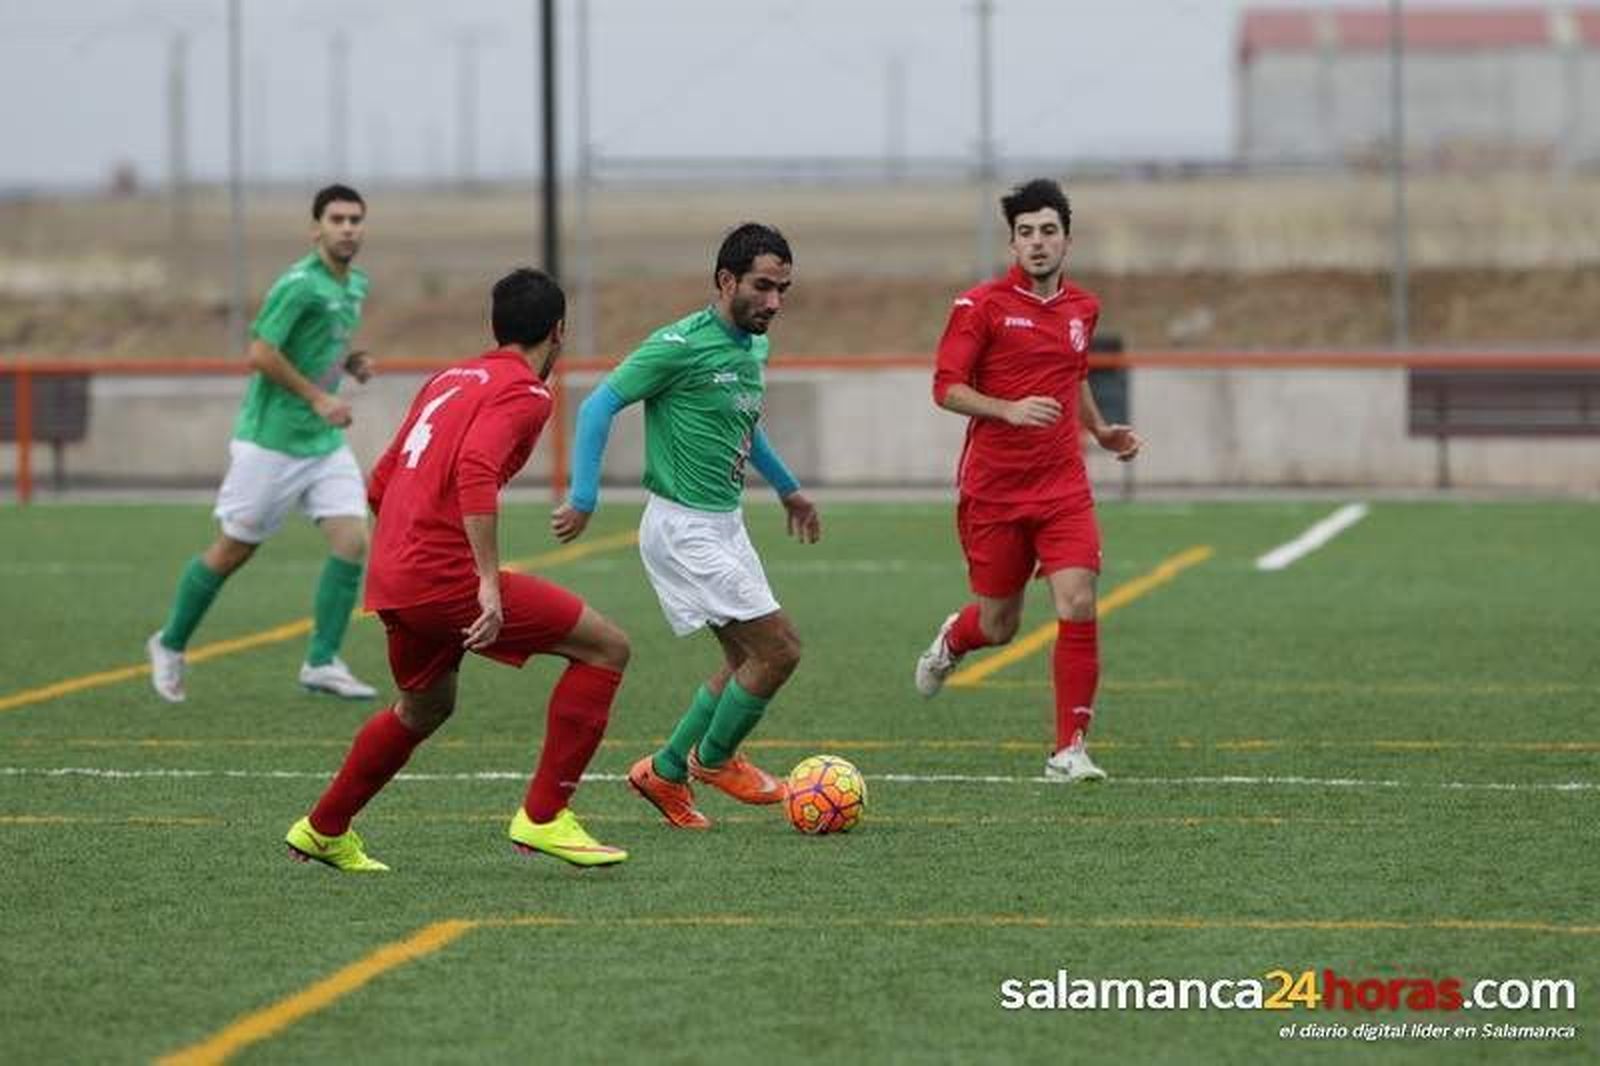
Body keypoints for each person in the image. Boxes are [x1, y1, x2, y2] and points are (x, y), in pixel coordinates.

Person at [285, 268, 632, 871]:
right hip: (440, 576)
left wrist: (408, 549)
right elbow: (475, 468)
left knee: (424, 708)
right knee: (605, 648)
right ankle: (546, 818)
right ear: (559, 331)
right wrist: (487, 583)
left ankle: (323, 828)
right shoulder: (526, 392)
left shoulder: (450, 378)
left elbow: (380, 484)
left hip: (395, 574)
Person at [552, 223, 821, 830]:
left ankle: (666, 772)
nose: (774, 303)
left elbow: (745, 425)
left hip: (726, 523)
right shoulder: (678, 344)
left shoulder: (753, 346)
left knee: (742, 661)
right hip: (683, 530)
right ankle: (714, 760)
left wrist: (788, 489)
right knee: (780, 650)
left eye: (783, 289)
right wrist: (584, 496)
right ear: (726, 281)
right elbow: (598, 405)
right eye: (763, 287)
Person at [914, 178, 1142, 783]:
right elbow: (945, 388)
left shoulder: (1083, 309)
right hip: (994, 490)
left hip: (1063, 487)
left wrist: (1100, 431)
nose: (1037, 243)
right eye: (1025, 233)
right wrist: (1007, 409)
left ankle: (1069, 750)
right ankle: (952, 642)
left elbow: (1075, 374)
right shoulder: (980, 307)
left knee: (1079, 601)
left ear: (1067, 239)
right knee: (999, 625)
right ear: (1012, 243)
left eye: (1048, 231)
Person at [146, 184, 380, 702]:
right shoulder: (298, 285)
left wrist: (350, 362)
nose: (347, 228)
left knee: (353, 541)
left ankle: (321, 661)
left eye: (355, 219)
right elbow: (261, 353)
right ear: (315, 228)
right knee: (235, 549)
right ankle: (170, 642)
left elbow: (317, 348)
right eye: (337, 219)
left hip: (321, 443)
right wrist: (320, 398)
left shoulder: (354, 284)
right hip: (271, 441)